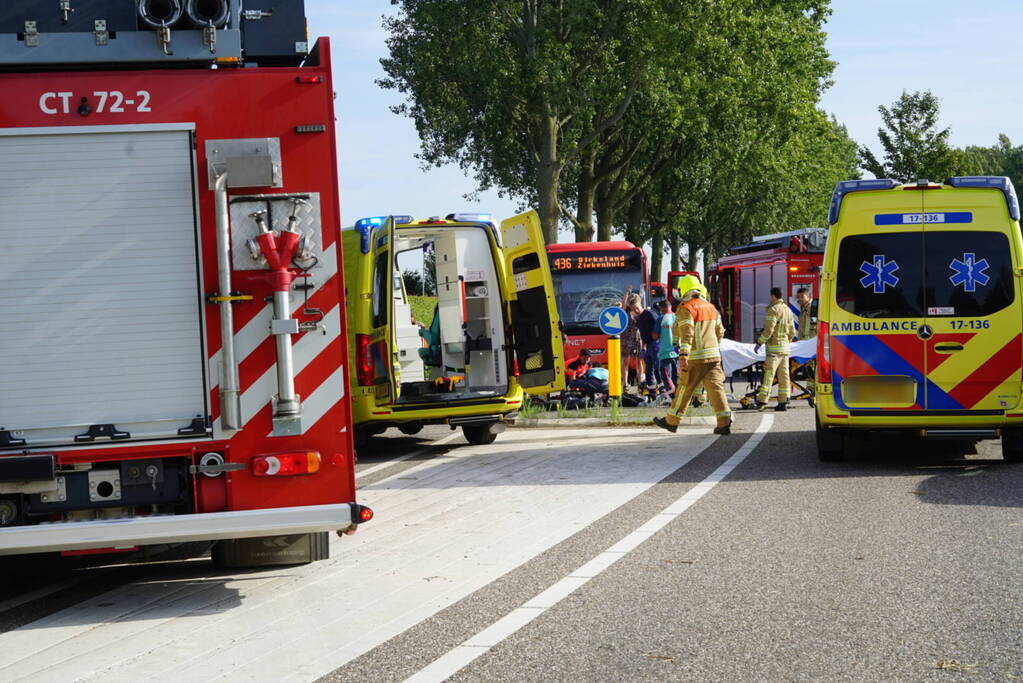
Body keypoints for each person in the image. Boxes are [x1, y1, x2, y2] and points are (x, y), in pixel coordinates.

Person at [653, 277, 732, 435]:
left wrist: (683, 354)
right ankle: (724, 423)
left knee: (684, 389)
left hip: (695, 358)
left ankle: (671, 421)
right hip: (714, 356)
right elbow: (720, 331)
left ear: (684, 290)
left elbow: (687, 333)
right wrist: (713, 345)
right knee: (716, 389)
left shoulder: (686, 308)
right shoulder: (711, 307)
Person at [754, 287, 796, 411]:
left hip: (774, 350)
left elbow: (768, 330)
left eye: (770, 297)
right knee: (784, 376)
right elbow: (792, 331)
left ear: (773, 296)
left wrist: (759, 343)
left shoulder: (773, 310)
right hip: (785, 350)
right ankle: (784, 401)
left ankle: (762, 400)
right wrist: (786, 342)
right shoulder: (788, 310)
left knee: (769, 375)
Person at [619, 286, 644, 388]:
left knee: (639, 361)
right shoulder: (626, 311)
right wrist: (626, 292)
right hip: (627, 336)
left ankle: (640, 381)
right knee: (626, 361)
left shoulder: (640, 310)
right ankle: (625, 383)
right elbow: (623, 304)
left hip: (638, 336)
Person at [654, 300, 678, 394]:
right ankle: (677, 395)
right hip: (678, 351)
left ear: (662, 308)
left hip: (665, 351)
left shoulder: (661, 318)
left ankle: (671, 395)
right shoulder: (677, 317)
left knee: (665, 375)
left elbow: (655, 335)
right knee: (676, 375)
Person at [636, 300, 659, 388]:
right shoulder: (639, 319)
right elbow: (642, 334)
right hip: (647, 345)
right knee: (649, 370)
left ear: (641, 305)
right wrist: (643, 347)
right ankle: (652, 393)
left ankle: (662, 391)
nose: (636, 310)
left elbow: (659, 323)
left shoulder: (649, 313)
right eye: (634, 309)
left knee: (657, 368)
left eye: (637, 307)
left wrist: (657, 336)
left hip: (655, 343)